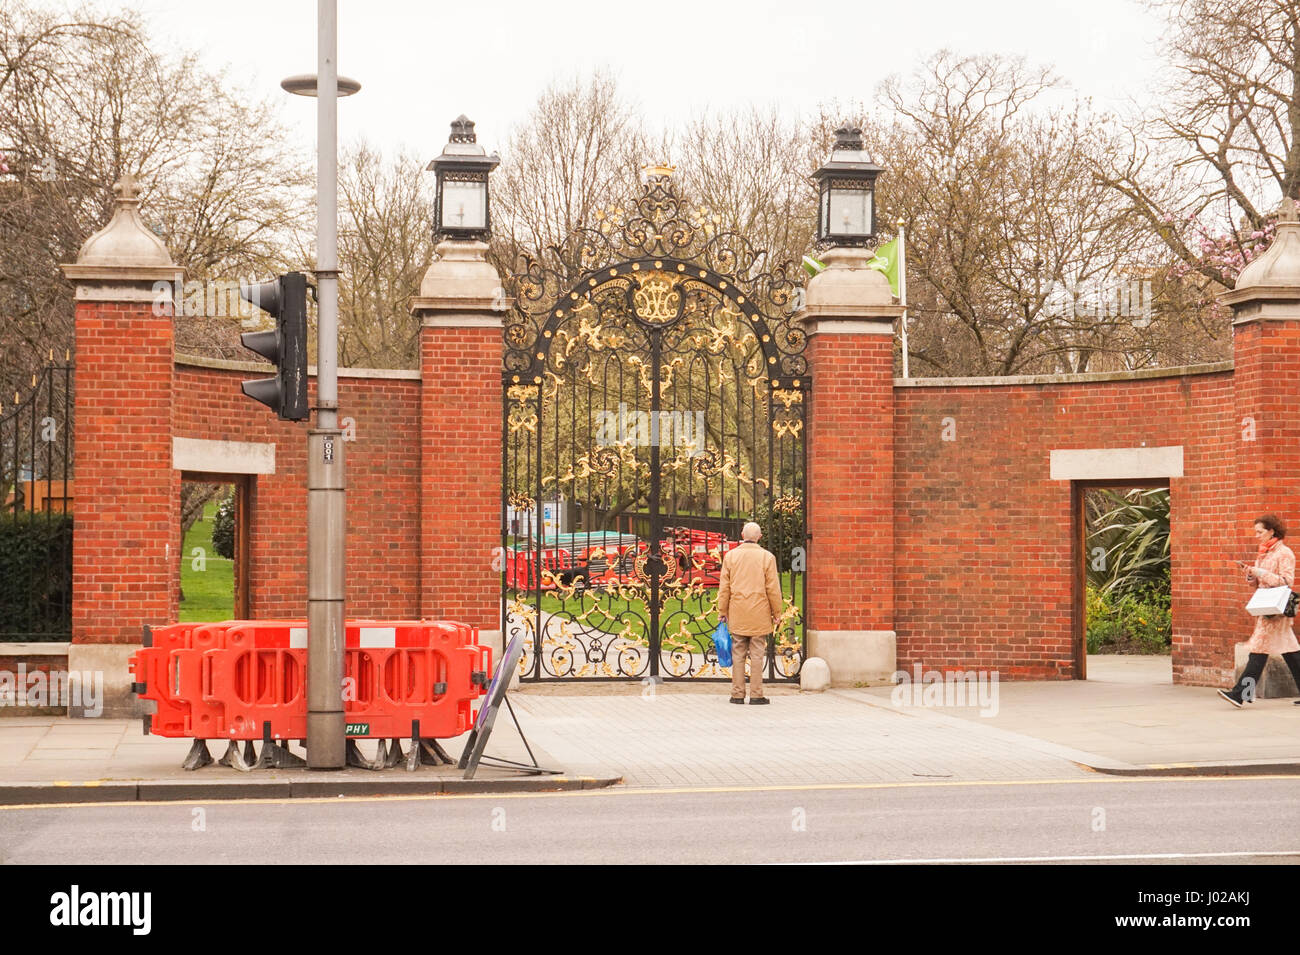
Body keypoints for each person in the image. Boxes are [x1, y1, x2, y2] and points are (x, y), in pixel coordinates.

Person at [1218, 514, 1300, 707]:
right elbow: (1257, 584)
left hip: (1276, 610)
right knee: (1290, 652)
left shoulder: (1285, 553)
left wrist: (1260, 572)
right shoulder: (1263, 553)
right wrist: (1250, 575)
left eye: (1260, 532)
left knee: (1258, 650)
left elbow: (1287, 582)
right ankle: (1242, 694)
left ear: (1272, 531)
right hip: (1266, 607)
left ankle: (1241, 694)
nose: (1256, 536)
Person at [717, 521, 783, 705]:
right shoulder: (767, 557)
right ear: (760, 537)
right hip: (759, 611)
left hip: (737, 610)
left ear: (742, 534)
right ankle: (756, 694)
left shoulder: (731, 556)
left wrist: (722, 610)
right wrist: (777, 612)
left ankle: (737, 694)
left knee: (738, 652)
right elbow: (773, 588)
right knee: (757, 653)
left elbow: (724, 588)